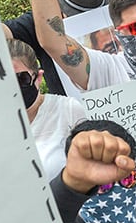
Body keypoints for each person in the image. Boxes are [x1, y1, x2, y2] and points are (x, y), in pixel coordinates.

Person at [10, 40, 87, 181]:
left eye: (21, 79)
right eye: (6, 82)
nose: (13, 88)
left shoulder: (68, 110)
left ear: (38, 77)